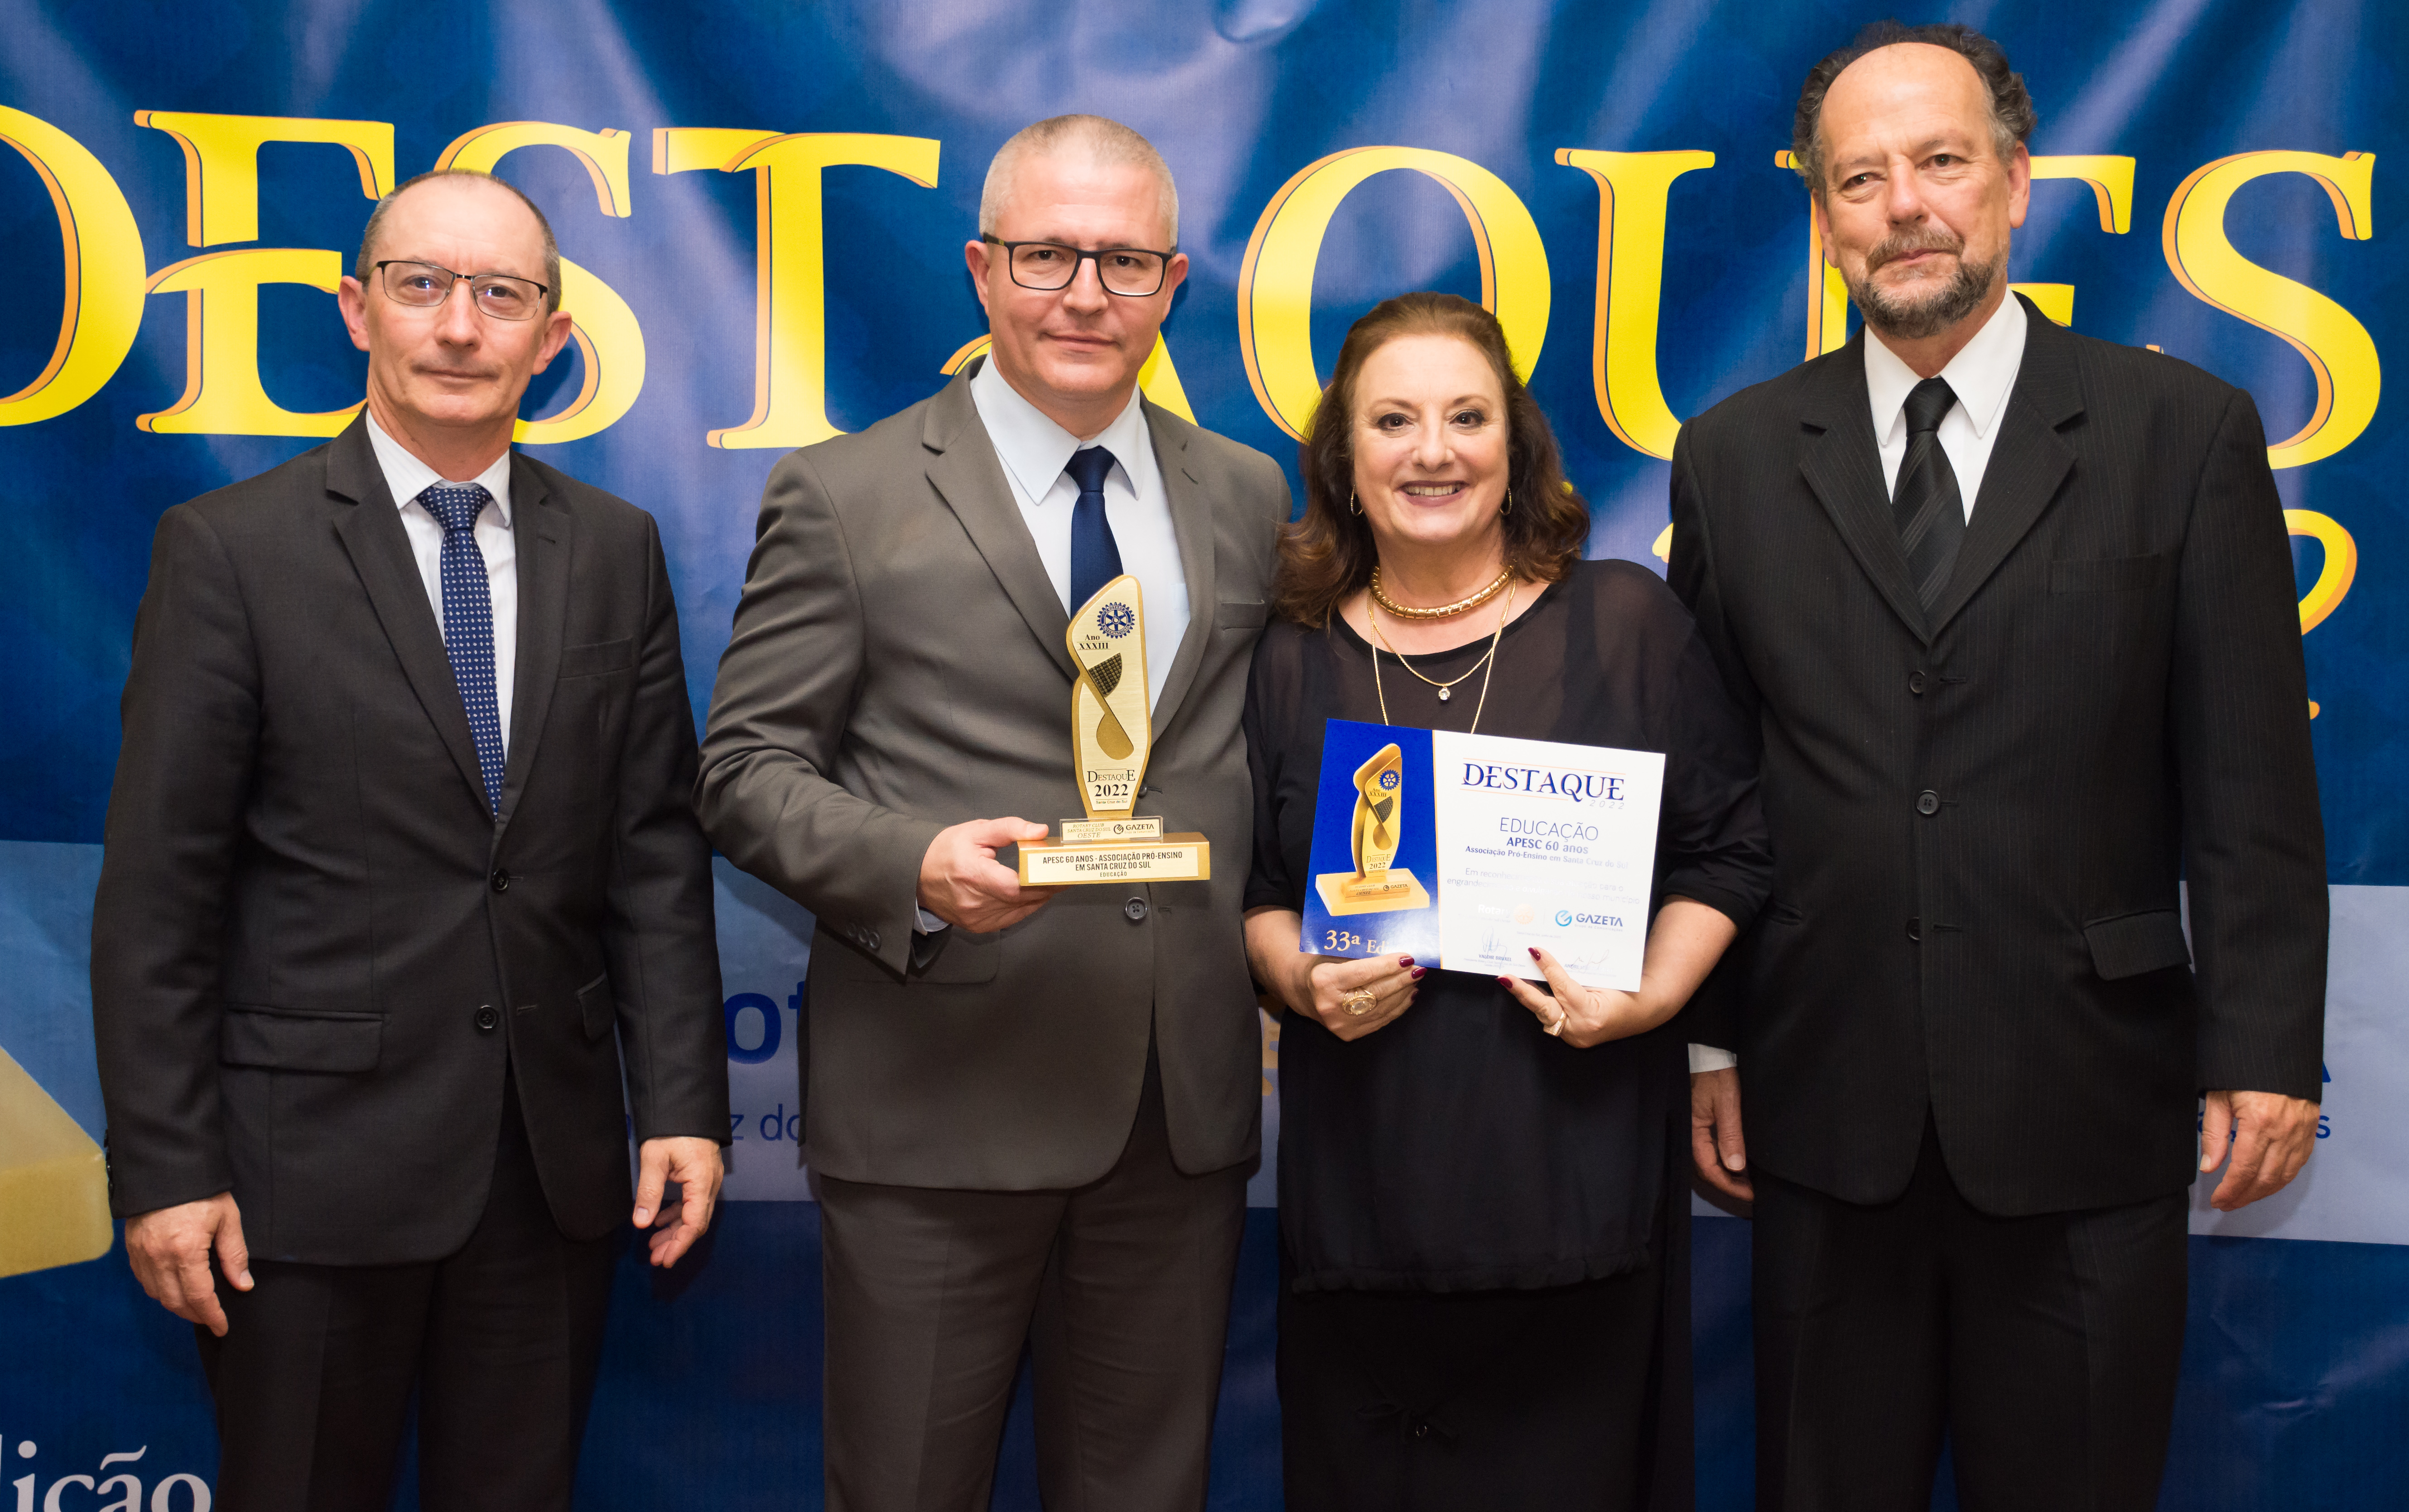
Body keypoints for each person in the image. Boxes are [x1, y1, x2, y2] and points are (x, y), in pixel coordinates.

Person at [1671, 22, 2327, 1511]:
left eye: (1940, 163)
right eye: (1860, 177)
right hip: (1821, 1113)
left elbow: (2251, 789)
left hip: (2090, 1103)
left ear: (2017, 183)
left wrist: (2267, 1051)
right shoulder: (1733, 456)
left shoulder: (2186, 434)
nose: (1903, 204)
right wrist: (1711, 1039)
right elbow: (1716, 784)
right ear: (1825, 215)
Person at [89, 169, 729, 1511]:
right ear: (356, 309)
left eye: (501, 295)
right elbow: (160, 895)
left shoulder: (616, 550)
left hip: (545, 1180)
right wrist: (166, 1171)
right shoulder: (230, 550)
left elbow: (653, 859)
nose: (457, 326)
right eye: (421, 285)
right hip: (298, 1190)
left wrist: (680, 1104)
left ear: (551, 339)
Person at [695, 115, 1289, 1512]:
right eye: (1047, 254)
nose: (1087, 293)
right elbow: (742, 769)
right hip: (939, 1115)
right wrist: (912, 862)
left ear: (1175, 279)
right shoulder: (844, 495)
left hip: (1175, 1114)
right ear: (979, 266)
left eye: (1126, 260)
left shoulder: (1248, 493)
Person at [1242, 291, 1771, 1511]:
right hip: (1360, 1226)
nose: (1434, 450)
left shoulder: (1626, 624)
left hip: (1573, 1205)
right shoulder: (1289, 653)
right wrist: (1298, 978)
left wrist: (1653, 1000)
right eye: (1395, 420)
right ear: (1345, 457)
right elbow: (1259, 896)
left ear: (1517, 445)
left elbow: (1730, 850)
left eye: (1467, 416)